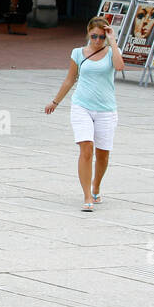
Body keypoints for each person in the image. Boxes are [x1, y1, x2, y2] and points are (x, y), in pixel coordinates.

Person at [44, 16, 124, 212]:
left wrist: (112, 41)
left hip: (106, 109)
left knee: (103, 155)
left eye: (101, 37)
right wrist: (55, 102)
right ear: (88, 33)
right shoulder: (78, 53)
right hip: (82, 106)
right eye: (94, 36)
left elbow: (120, 66)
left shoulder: (112, 51)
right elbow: (70, 79)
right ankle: (87, 195)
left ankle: (96, 185)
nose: (97, 41)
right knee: (86, 148)